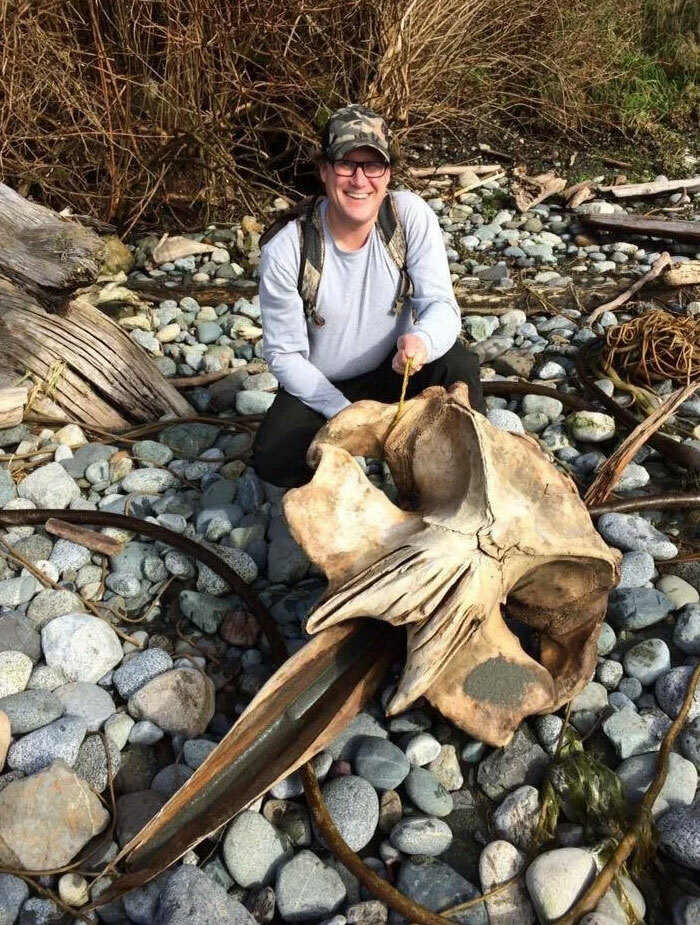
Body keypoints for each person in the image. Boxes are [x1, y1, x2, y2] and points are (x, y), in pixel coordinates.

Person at [251, 103, 484, 487]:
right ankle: (358, 481)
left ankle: (464, 475)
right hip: (326, 388)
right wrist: (347, 413)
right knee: (274, 457)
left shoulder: (410, 217)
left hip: (399, 370)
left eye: (372, 165)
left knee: (458, 366)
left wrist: (422, 342)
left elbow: (441, 305)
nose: (359, 180)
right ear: (324, 171)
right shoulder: (286, 249)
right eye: (346, 164)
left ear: (388, 173)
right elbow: (284, 355)